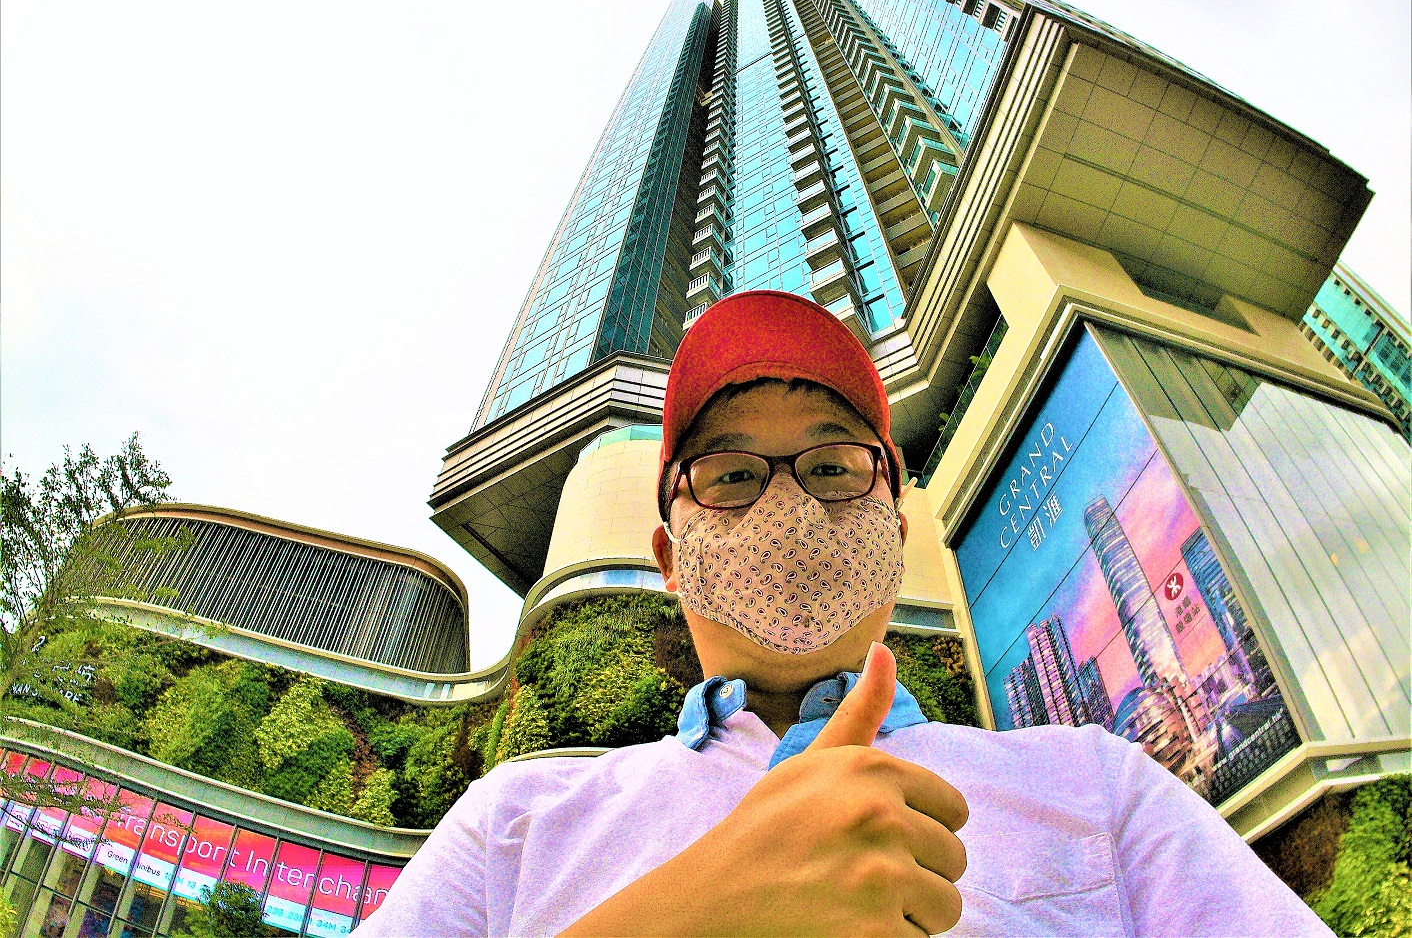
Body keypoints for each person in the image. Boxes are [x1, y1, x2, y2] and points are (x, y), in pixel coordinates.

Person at [360, 291, 1329, 937]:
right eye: (730, 475)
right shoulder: (518, 821)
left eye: (831, 469)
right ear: (667, 555)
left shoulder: (1093, 785)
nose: (789, 511)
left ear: (893, 529)